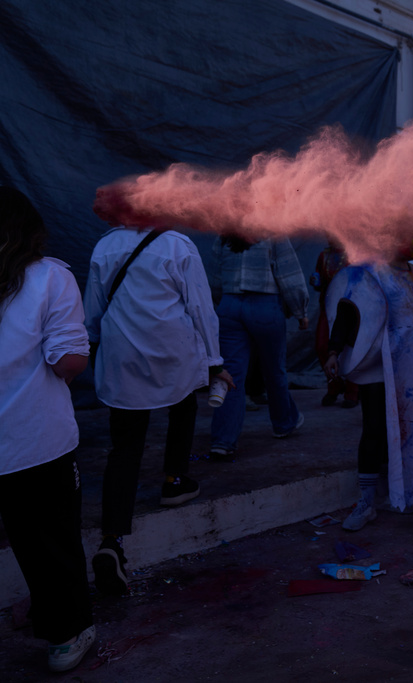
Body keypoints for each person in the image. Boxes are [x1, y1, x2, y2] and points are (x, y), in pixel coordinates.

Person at [84, 202, 232, 596]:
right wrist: (215, 361)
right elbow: (201, 307)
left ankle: (112, 540)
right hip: (172, 351)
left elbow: (94, 309)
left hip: (122, 355)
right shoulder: (178, 245)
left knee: (125, 445)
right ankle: (174, 479)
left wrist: (96, 344)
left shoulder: (105, 246)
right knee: (184, 403)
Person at [0, 187, 95, 672]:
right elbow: (67, 362)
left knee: (22, 534)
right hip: (35, 442)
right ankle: (66, 636)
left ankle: (42, 608)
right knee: (52, 540)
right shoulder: (50, 278)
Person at [324, 236, 413, 531]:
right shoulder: (369, 273)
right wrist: (333, 351)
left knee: (411, 429)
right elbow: (347, 310)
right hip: (379, 370)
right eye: (406, 234)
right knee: (375, 430)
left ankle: (406, 493)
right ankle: (367, 501)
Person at [209, 235, 308, 459]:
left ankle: (223, 441)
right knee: (274, 371)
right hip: (265, 305)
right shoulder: (273, 232)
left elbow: (214, 279)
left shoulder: (223, 236)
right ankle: (283, 424)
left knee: (230, 375)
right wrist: (300, 312)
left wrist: (225, 303)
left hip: (230, 305)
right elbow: (289, 275)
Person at [310, 240, 357, 408]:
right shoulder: (324, 255)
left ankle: (353, 391)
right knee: (322, 347)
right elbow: (320, 280)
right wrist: (316, 281)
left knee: (351, 349)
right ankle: (335, 385)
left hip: (351, 308)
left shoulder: (355, 252)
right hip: (328, 307)